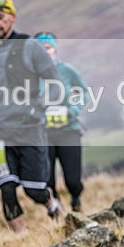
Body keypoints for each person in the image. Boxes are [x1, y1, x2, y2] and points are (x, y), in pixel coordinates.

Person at [0, 0, 62, 231]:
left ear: (12, 18)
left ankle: (52, 204)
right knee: (5, 187)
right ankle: (21, 240)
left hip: (30, 128)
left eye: (0, 17)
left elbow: (54, 81)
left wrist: (41, 106)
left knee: (33, 190)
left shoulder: (30, 46)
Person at [33, 32, 88, 212]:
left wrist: (72, 110)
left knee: (73, 180)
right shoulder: (31, 74)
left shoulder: (67, 70)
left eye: (47, 48)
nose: (45, 52)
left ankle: (76, 198)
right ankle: (56, 213)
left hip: (68, 130)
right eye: (40, 49)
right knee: (47, 180)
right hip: (43, 133)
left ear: (54, 49)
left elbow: (82, 92)